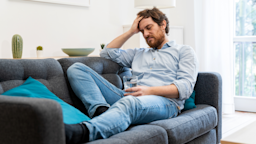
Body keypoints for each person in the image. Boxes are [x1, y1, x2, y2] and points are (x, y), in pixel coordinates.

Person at [65, 7, 198, 144]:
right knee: (77, 69)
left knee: (130, 102)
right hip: (130, 97)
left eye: (149, 27)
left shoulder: (184, 51)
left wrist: (148, 91)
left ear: (163, 24)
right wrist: (131, 31)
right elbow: (107, 53)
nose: (145, 34)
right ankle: (102, 111)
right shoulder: (138, 53)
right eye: (142, 31)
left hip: (166, 103)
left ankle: (83, 132)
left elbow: (185, 88)